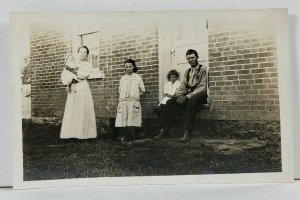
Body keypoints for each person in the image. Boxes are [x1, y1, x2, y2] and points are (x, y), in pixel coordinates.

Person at [154, 49, 208, 142]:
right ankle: (164, 130)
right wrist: (178, 95)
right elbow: (183, 85)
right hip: (188, 94)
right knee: (170, 102)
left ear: (197, 57)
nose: (191, 60)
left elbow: (203, 87)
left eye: (192, 58)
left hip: (199, 95)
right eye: (188, 58)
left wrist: (187, 96)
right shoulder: (187, 71)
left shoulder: (203, 69)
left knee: (191, 101)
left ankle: (187, 132)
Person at [60, 46, 97, 139]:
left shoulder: (88, 65)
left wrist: (71, 71)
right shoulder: (73, 63)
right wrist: (69, 83)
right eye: (81, 52)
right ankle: (71, 134)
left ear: (87, 54)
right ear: (78, 53)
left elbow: (82, 75)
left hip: (83, 87)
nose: (83, 54)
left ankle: (83, 134)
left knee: (82, 109)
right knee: (72, 109)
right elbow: (65, 74)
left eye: (85, 52)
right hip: (73, 87)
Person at [115, 59, 145, 143]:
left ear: (133, 67)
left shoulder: (137, 77)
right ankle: (124, 136)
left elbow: (142, 89)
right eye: (126, 67)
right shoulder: (123, 78)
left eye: (130, 66)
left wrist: (135, 95)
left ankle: (132, 136)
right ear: (124, 68)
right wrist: (123, 98)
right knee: (124, 119)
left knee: (132, 119)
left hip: (133, 101)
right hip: (124, 101)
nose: (128, 68)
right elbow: (120, 90)